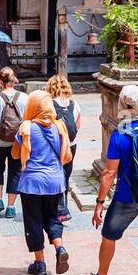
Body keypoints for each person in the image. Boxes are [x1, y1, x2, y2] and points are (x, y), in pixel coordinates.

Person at [74, 84, 138, 275]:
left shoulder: (119, 135)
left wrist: (99, 203)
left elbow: (109, 173)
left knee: (109, 237)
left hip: (126, 196)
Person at [12, 90, 73, 275]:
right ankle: (60, 248)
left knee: (34, 221)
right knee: (52, 216)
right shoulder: (59, 126)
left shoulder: (27, 128)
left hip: (33, 183)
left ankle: (40, 263)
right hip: (55, 182)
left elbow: (15, 154)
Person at [0, 68, 27, 218]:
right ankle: (10, 207)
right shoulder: (24, 97)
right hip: (17, 141)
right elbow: (28, 120)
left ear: (0, 82)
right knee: (15, 172)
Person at [47, 74, 83, 222]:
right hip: (71, 145)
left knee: (55, 175)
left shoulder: (49, 105)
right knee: (66, 176)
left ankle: (58, 209)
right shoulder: (75, 105)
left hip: (55, 145)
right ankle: (64, 206)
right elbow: (77, 126)